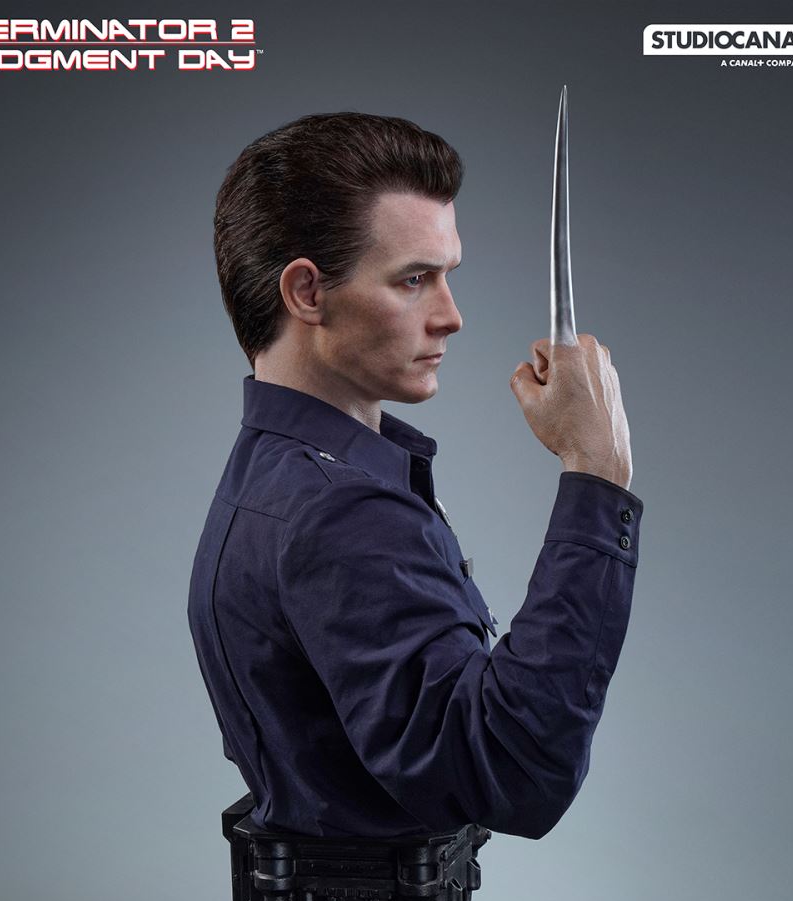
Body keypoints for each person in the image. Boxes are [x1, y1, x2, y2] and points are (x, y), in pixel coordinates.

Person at [188, 111, 641, 839]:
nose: (452, 316)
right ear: (307, 293)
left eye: (447, 276)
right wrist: (597, 473)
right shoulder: (338, 510)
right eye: (415, 279)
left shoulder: (275, 475)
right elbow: (512, 771)